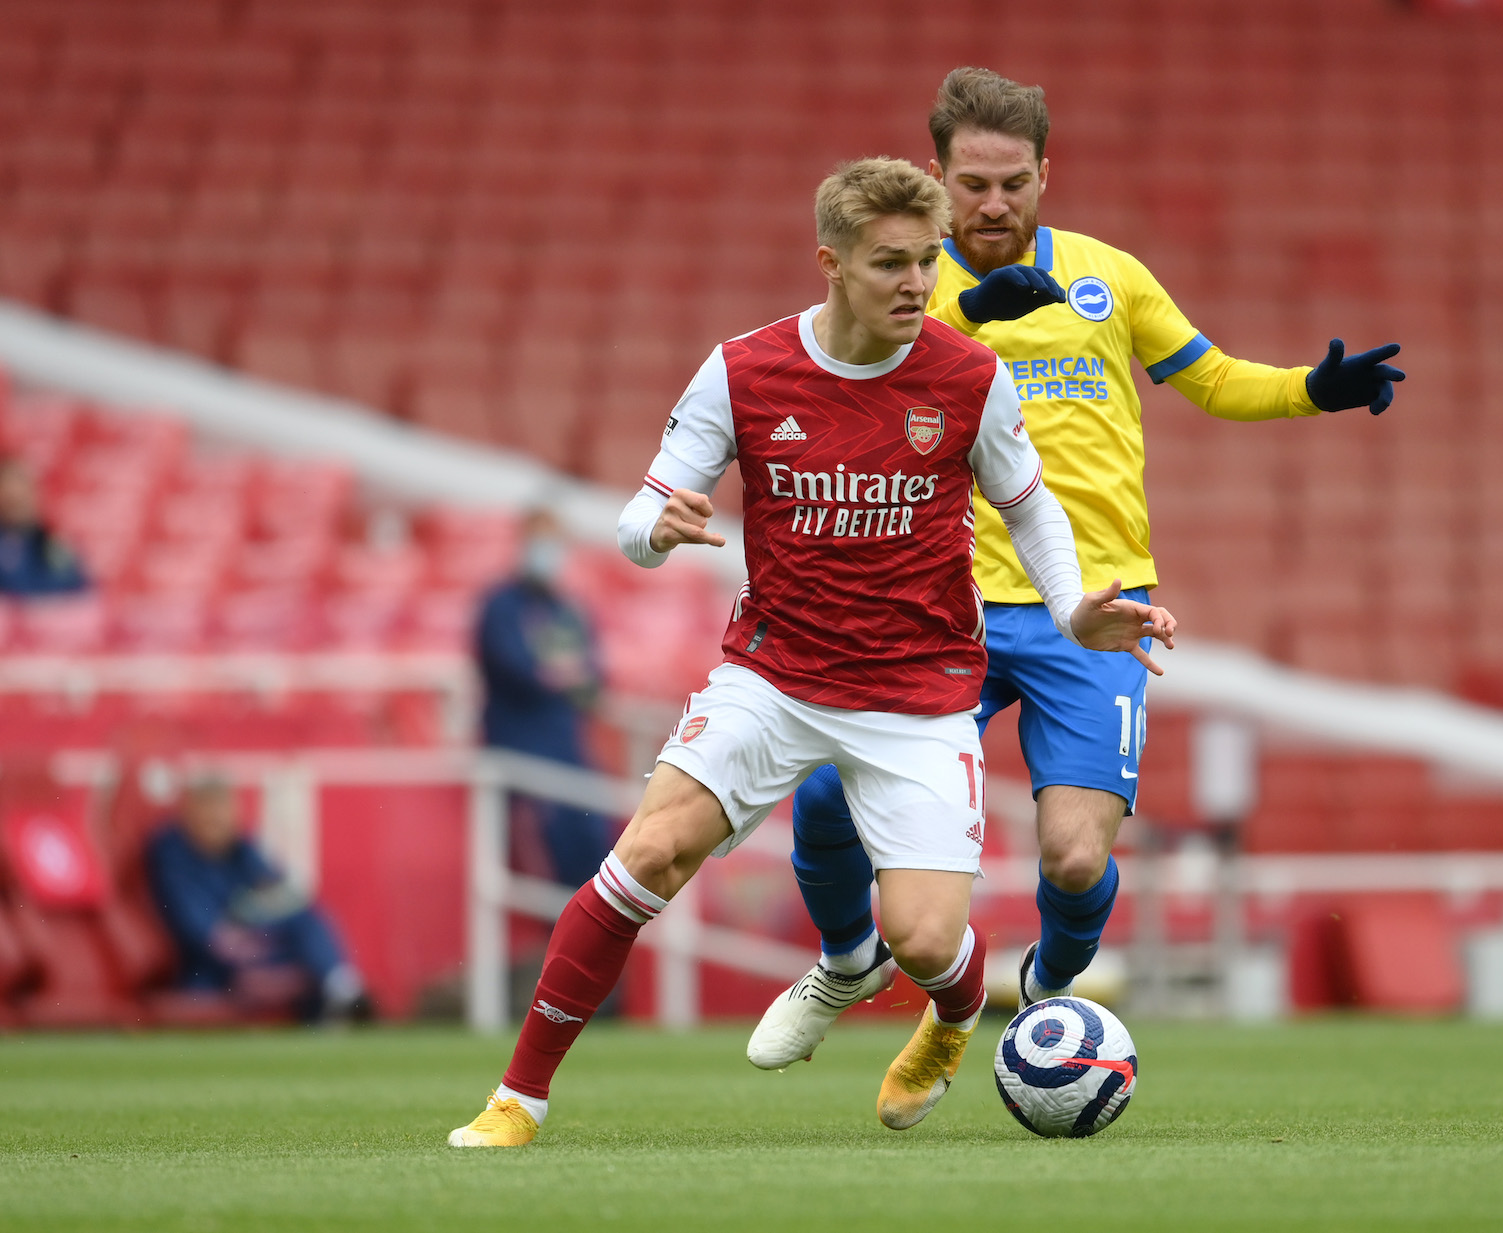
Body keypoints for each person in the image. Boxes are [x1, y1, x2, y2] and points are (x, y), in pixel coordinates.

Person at [448, 156, 1173, 1147]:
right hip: (773, 675)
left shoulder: (967, 377)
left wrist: (1069, 610)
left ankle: (954, 1017)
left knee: (924, 940)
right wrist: (652, 532)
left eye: (926, 261)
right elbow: (639, 507)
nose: (916, 285)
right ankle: (516, 1102)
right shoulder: (743, 369)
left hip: (918, 693)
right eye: (889, 264)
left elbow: (1028, 508)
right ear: (829, 263)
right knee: (648, 854)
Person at [751, 67, 1406, 1067]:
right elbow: (863, 396)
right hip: (944, 606)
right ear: (935, 175)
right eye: (971, 183)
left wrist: (1312, 390)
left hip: (1092, 603)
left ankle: (1035, 1000)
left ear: (1045, 175)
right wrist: (969, 318)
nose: (992, 203)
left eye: (1012, 181)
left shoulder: (1110, 277)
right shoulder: (895, 292)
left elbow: (1214, 379)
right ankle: (846, 962)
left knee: (1072, 855)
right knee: (823, 799)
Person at [144, 775, 368, 1021]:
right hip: (211, 966)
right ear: (188, 813)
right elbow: (196, 926)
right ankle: (336, 995)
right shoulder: (172, 852)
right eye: (207, 812)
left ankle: (343, 990)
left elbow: (282, 893)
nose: (215, 820)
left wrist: (258, 919)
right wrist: (246, 951)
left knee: (307, 919)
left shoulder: (241, 848)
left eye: (221, 811)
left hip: (255, 943)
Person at [473, 508, 610, 887]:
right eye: (539, 543)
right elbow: (513, 667)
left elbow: (595, 677)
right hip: (516, 740)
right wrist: (561, 673)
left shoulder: (567, 609)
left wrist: (562, 674)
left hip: (565, 744)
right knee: (551, 834)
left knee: (596, 830)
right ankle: (557, 929)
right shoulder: (500, 605)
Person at [0, 456, 87, 596]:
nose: (19, 502)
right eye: (11, 500)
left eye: (24, 494)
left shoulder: (54, 542)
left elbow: (79, 590)